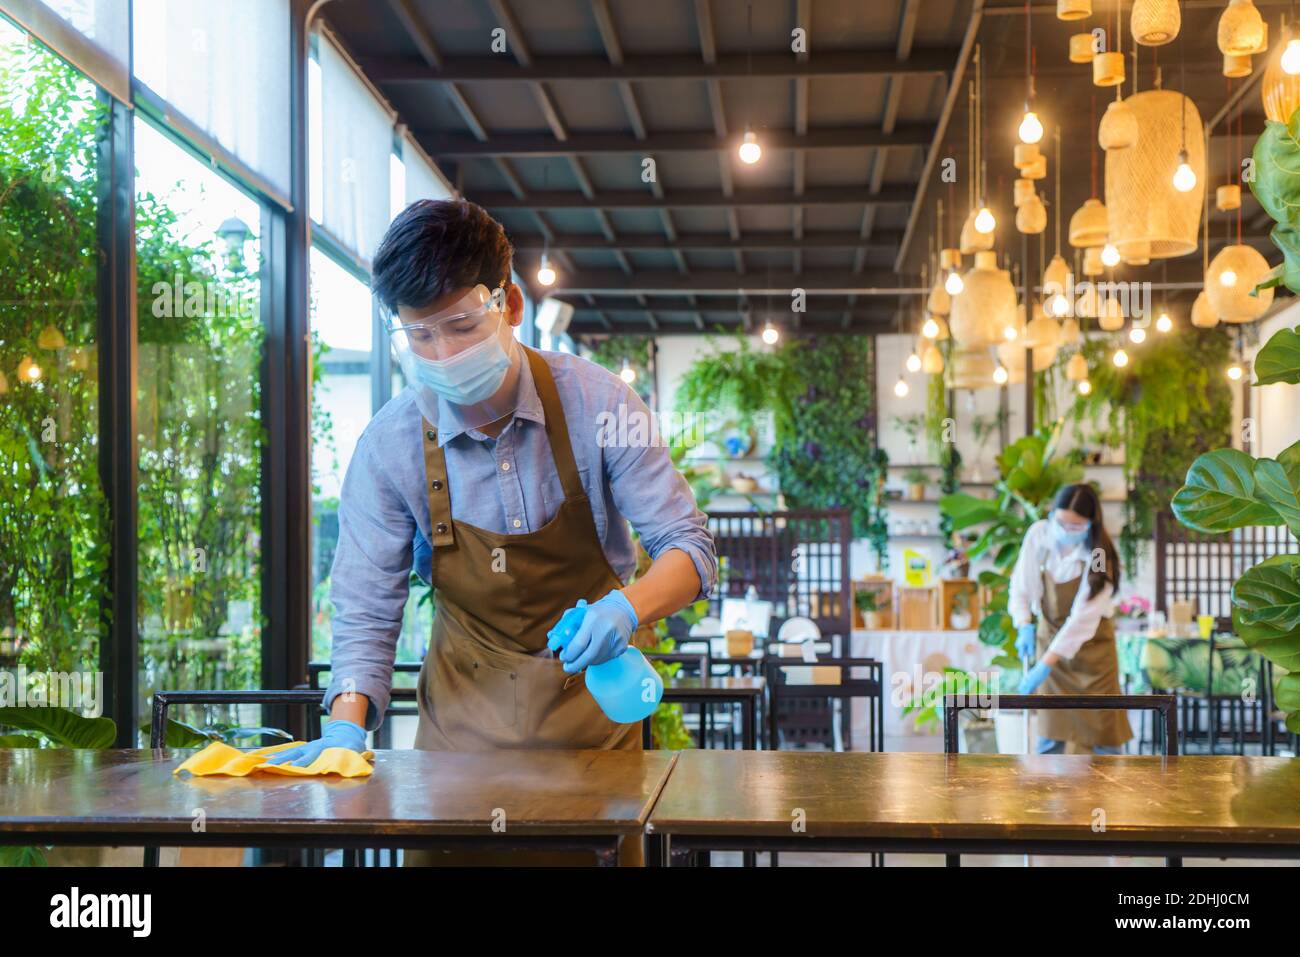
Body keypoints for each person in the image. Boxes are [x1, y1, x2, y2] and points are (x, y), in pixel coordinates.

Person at [268, 199, 717, 864]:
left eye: (459, 326)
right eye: (421, 336)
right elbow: (366, 607)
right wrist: (344, 724)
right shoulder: (390, 445)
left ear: (508, 304)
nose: (442, 354)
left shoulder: (600, 407)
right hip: (454, 768)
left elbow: (691, 548)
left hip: (594, 760)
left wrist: (626, 607)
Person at [1008, 483, 1132, 755]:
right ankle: (1046, 794)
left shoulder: (1099, 554)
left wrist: (1044, 665)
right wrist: (1024, 624)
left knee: (1105, 734)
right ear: (1052, 514)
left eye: (1076, 527)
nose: (1066, 530)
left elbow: (1082, 620)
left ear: (1090, 524)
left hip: (1093, 653)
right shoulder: (1039, 535)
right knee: (1051, 731)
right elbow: (1021, 587)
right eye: (1061, 522)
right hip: (1049, 639)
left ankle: (1108, 795)